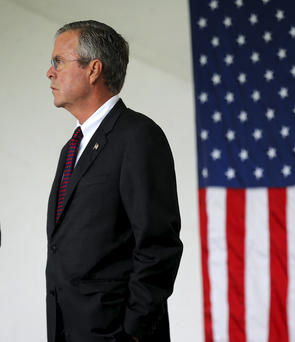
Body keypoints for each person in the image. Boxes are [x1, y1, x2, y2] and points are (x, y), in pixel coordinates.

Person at [45, 20, 183, 342]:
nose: (50, 73)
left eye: (58, 62)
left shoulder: (138, 136)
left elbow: (158, 246)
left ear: (93, 70)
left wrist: (132, 334)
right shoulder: (71, 148)